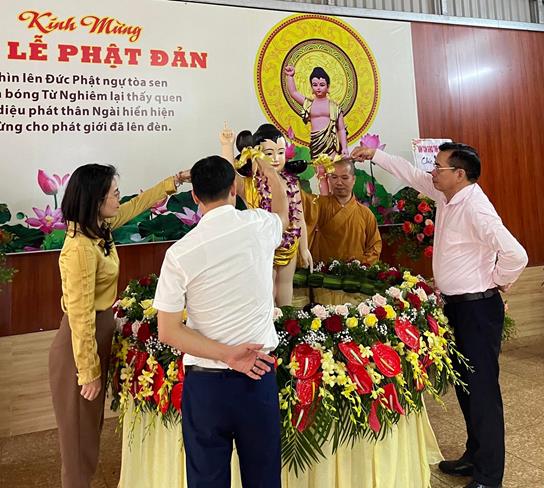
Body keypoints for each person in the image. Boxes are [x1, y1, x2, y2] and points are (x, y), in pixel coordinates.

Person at [351, 142, 528, 488]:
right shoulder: (446, 195)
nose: (432, 171)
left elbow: (516, 254)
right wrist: (375, 155)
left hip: (478, 308)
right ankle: (474, 455)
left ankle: (489, 475)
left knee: (482, 392)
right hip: (458, 306)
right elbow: (411, 173)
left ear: (459, 174)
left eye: (439, 167)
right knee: (466, 386)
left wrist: (496, 281)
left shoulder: (476, 208)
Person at [49, 164, 188, 488]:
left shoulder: (100, 228)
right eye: (114, 193)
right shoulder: (80, 248)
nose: (118, 198)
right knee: (78, 442)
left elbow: (137, 205)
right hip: (78, 346)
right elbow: (80, 315)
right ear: (96, 200)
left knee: (88, 433)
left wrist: (174, 181)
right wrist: (88, 371)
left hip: (98, 333)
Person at [154, 155, 288, 488]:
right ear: (234, 188)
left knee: (206, 480)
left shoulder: (180, 252)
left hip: (205, 386)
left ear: (194, 196)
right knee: (264, 479)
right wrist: (271, 174)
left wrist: (226, 354)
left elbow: (167, 330)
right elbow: (283, 214)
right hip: (257, 375)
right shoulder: (259, 226)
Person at [220, 123, 312, 306]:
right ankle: (268, 319)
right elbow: (229, 175)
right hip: (262, 245)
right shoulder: (249, 184)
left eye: (281, 152)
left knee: (285, 286)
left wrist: (304, 248)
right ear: (255, 154)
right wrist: (226, 146)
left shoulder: (292, 183)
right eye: (269, 153)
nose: (276, 158)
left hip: (289, 244)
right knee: (266, 287)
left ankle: (286, 319)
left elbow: (300, 218)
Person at [301, 158, 382, 265]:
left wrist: (360, 265)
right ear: (329, 179)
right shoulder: (319, 205)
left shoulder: (366, 214)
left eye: (344, 178)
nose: (339, 182)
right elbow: (299, 198)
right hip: (321, 271)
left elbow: (374, 246)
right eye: (334, 177)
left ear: (353, 179)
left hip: (354, 272)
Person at [284, 65, 348, 159]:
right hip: (315, 143)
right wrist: (290, 76)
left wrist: (345, 148)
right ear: (311, 86)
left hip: (330, 144)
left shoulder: (335, 107)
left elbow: (341, 129)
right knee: (318, 166)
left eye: (322, 85)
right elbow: (293, 93)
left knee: (331, 166)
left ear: (328, 86)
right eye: (315, 85)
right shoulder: (309, 104)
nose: (318, 88)